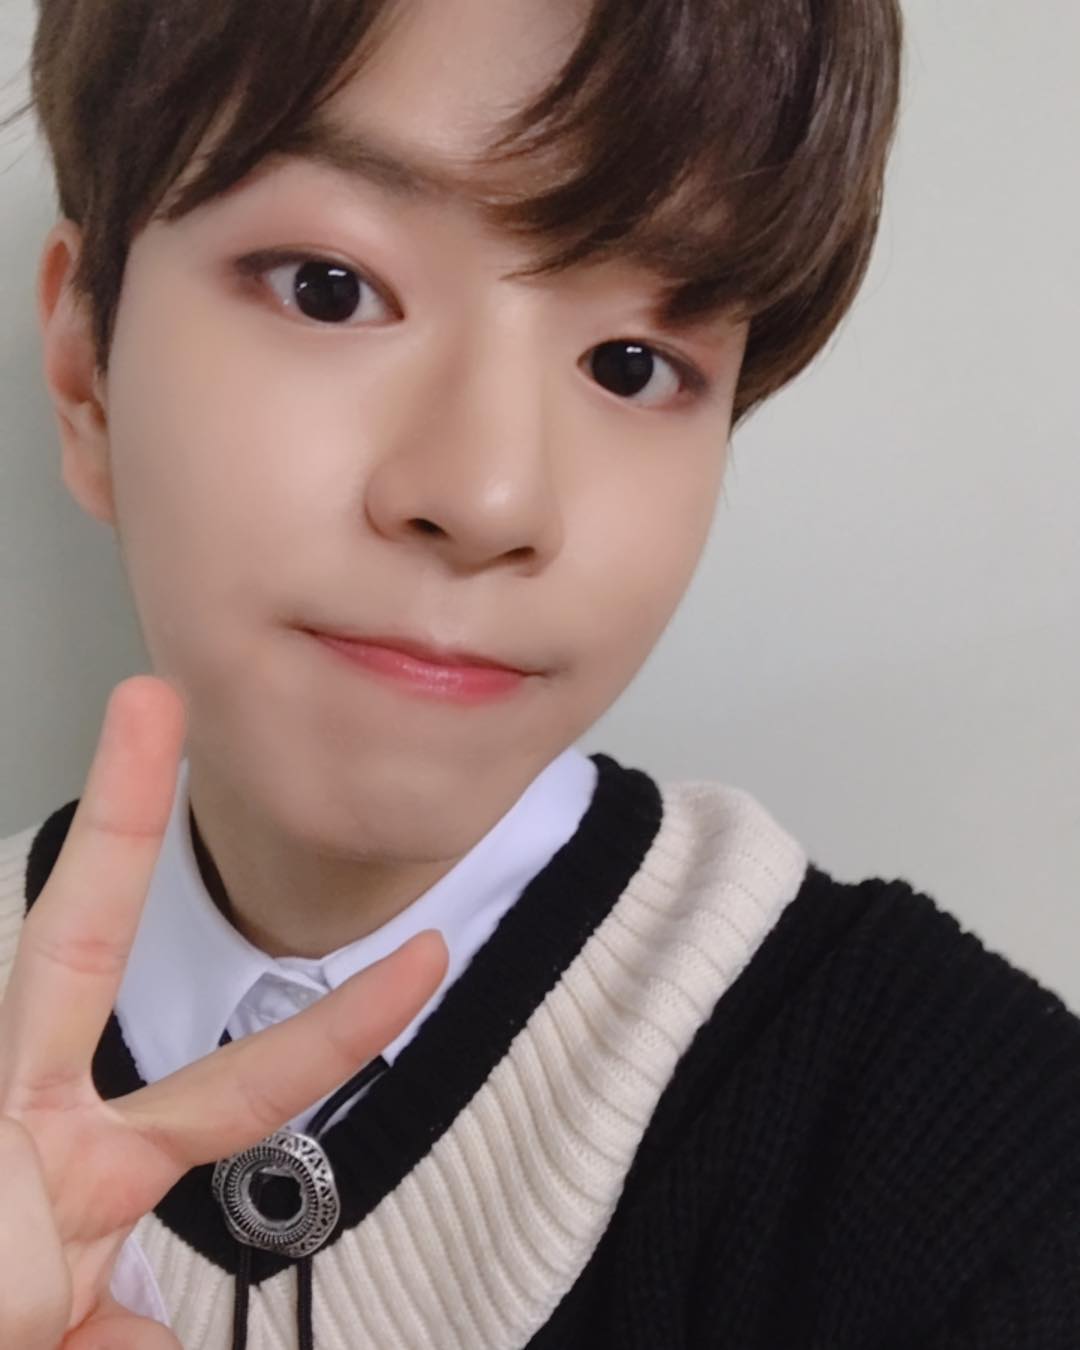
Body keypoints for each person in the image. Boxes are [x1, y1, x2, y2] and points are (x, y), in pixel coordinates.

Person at [0, 0, 1077, 1347]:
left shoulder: (980, 1178)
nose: (491, 494)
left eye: (633, 365)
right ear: (84, 373)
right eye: (329, 285)